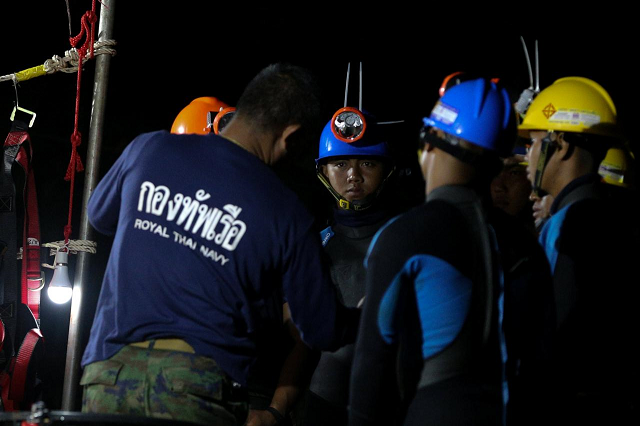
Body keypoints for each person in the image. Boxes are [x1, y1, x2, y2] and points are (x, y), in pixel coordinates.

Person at [79, 63, 360, 426]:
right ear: (292, 136)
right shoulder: (287, 213)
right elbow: (321, 329)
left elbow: (100, 217)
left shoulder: (149, 148)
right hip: (197, 390)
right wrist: (369, 315)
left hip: (108, 375)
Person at [349, 78, 517, 426]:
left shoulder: (405, 235)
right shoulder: (525, 240)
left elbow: (372, 363)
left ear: (429, 143)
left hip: (432, 411)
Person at [521, 76, 640, 424]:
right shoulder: (601, 214)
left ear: (560, 144)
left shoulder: (575, 221)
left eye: (533, 143)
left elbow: (561, 327)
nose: (526, 155)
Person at [300, 108, 400, 426]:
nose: (354, 175)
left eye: (367, 163)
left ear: (386, 170)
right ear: (323, 171)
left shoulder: (410, 240)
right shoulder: (311, 247)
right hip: (323, 401)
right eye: (341, 163)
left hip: (394, 399)